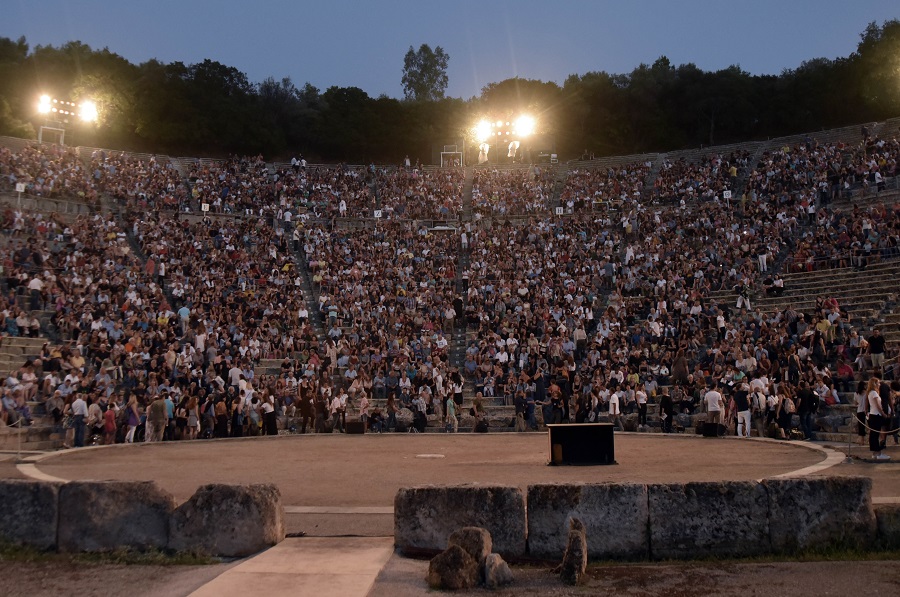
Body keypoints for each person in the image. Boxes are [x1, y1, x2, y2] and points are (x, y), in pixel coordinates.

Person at [866, 377, 890, 460]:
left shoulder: (870, 393)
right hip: (876, 415)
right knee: (875, 435)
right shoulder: (874, 393)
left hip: (873, 415)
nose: (879, 384)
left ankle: (875, 453)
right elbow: (878, 406)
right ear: (874, 384)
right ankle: (878, 453)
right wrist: (883, 414)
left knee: (874, 434)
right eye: (878, 383)